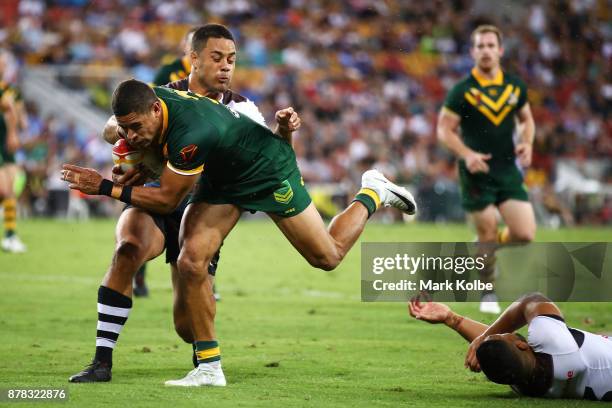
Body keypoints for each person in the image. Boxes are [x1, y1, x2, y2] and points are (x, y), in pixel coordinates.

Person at [61, 79, 417, 387]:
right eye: (128, 130)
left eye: (137, 127)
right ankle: (210, 368)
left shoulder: (191, 132)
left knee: (327, 256)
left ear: (156, 110)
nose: (133, 136)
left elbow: (169, 199)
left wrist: (105, 187)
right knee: (191, 260)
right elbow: (126, 133)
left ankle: (372, 191)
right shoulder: (152, 102)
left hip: (265, 169)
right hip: (221, 179)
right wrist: (131, 152)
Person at [68, 24, 301, 383]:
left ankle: (205, 353)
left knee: (184, 325)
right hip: (154, 196)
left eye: (231, 61)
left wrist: (285, 132)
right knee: (128, 248)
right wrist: (131, 139)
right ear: (194, 59)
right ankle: (101, 362)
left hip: (203, 205)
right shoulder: (164, 97)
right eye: (218, 58)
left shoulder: (242, 108)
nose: (225, 67)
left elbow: (267, 156)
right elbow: (114, 125)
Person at [437, 25, 536, 314]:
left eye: (491, 45)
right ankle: (488, 291)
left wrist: (527, 143)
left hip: (507, 170)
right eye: (480, 46)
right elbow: (444, 130)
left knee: (525, 233)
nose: (485, 51)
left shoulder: (515, 86)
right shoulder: (462, 91)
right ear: (472, 52)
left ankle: (483, 245)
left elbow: (527, 119)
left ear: (500, 50)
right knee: (488, 232)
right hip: (476, 171)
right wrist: (466, 154)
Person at [409, 293, 612, 400]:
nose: (498, 332)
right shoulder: (551, 341)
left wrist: (454, 320)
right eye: (506, 334)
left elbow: (500, 352)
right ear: (523, 345)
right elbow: (531, 300)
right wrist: (484, 337)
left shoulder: (522, 383)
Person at [0, 69, 25, 253]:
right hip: (5, 142)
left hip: (5, 146)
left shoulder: (10, 90)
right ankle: (9, 236)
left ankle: (10, 236)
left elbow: (19, 118)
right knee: (6, 189)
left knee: (9, 191)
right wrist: (13, 133)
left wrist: (13, 132)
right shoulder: (7, 91)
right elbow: (8, 108)